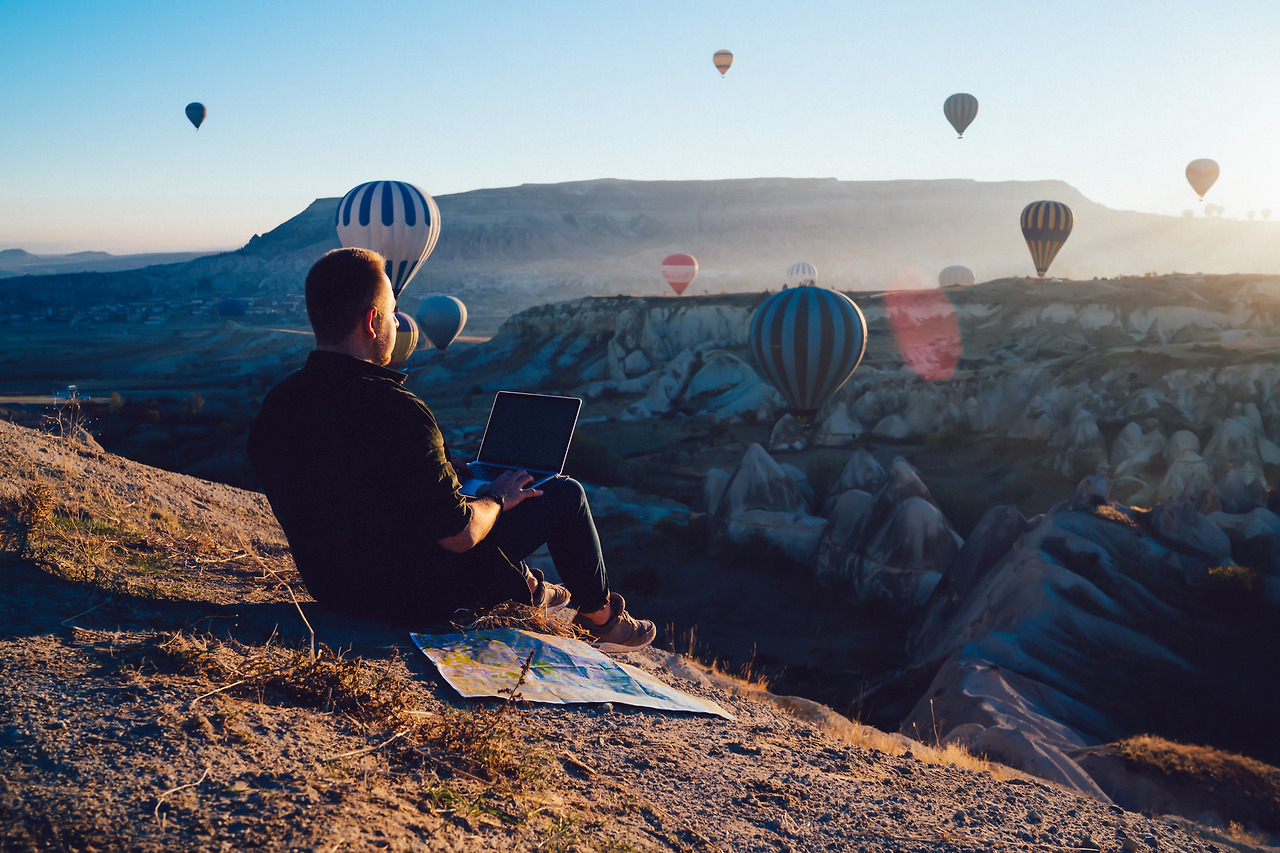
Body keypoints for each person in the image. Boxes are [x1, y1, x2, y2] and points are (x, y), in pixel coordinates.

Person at [247, 248, 655, 653]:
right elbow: (459, 536)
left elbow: (348, 490)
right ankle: (601, 620)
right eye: (392, 312)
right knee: (563, 494)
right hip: (413, 601)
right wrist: (498, 496)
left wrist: (437, 471)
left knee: (462, 503)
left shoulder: (278, 405)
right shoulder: (399, 410)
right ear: (372, 322)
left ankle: (529, 587)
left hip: (334, 591)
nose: (395, 321)